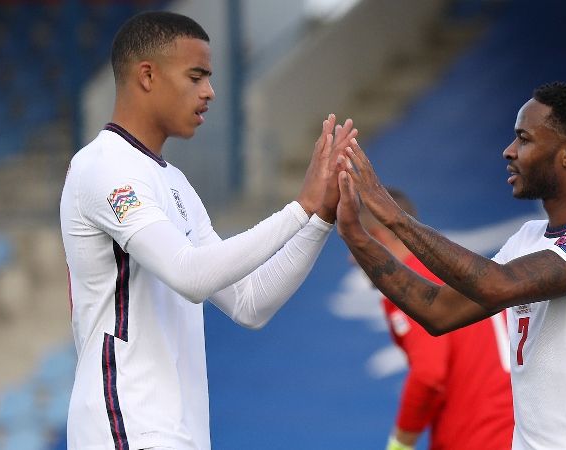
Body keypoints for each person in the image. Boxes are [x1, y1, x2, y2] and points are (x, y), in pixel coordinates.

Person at [59, 11, 355, 450]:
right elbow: (191, 276)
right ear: (147, 75)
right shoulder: (104, 167)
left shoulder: (175, 184)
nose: (210, 92)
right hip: (126, 428)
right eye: (196, 76)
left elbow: (250, 303)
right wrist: (299, 208)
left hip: (176, 435)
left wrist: (319, 219)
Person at [336, 82, 566, 450]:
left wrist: (394, 216)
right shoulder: (527, 238)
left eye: (524, 139)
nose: (509, 151)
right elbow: (438, 312)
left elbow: (497, 285)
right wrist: (356, 238)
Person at [359, 188, 514, 450]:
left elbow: (428, 375)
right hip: (518, 433)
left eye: (354, 244)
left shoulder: (410, 287)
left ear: (377, 238)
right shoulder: (458, 271)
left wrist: (400, 445)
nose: (352, 259)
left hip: (475, 438)